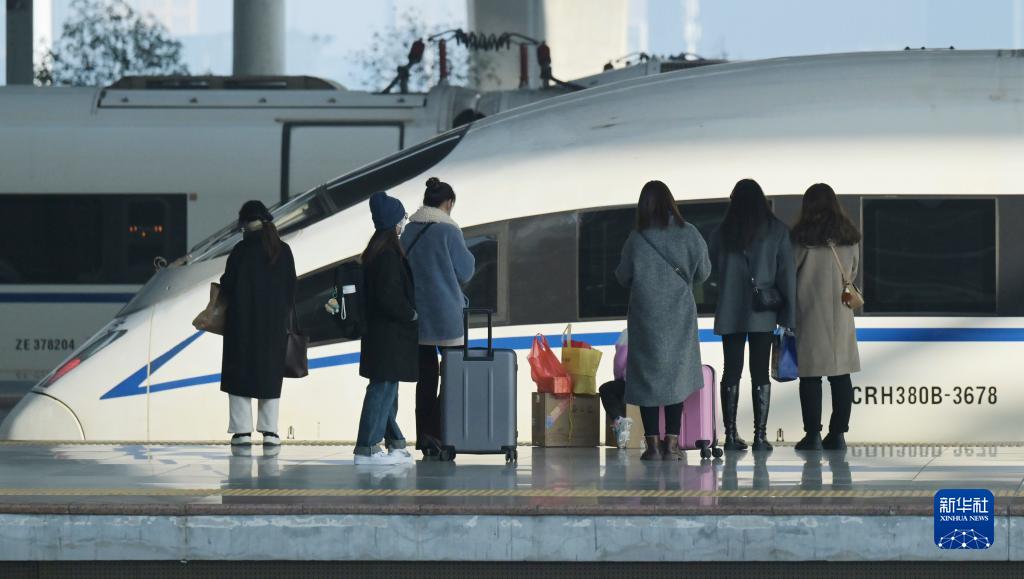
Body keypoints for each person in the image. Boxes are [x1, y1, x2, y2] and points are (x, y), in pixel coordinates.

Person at [615, 181, 711, 460]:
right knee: (675, 377)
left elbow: (623, 276)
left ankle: (652, 446)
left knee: (646, 379)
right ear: (670, 202)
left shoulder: (636, 238)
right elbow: (704, 272)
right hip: (679, 315)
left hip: (645, 317)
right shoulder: (689, 232)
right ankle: (671, 444)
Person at [709, 178, 796, 452]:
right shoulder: (777, 230)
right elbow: (787, 276)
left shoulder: (722, 232)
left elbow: (710, 269)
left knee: (731, 371)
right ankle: (760, 437)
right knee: (760, 373)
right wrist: (789, 316)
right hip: (763, 312)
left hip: (730, 310)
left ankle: (730, 435)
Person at [400, 177, 475, 456]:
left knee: (426, 380)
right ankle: (436, 433)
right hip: (446, 316)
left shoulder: (409, 231)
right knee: (454, 376)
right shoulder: (449, 231)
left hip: (418, 317)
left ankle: (424, 438)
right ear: (449, 203)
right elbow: (466, 271)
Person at [790, 183, 861, 451]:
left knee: (810, 377)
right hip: (841, 314)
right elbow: (852, 271)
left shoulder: (801, 238)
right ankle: (838, 435)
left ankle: (812, 436)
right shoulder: (849, 237)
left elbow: (790, 271)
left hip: (810, 312)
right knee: (841, 376)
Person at [220, 200, 296, 448]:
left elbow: (227, 285)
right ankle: (270, 431)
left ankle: (242, 432)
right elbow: (291, 288)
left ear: (244, 223)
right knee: (269, 376)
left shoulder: (240, 251)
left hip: (241, 325)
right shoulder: (282, 250)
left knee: (239, 376)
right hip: (273, 327)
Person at [354, 191, 418, 465]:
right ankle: (367, 447)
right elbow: (390, 298)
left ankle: (395, 443)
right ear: (393, 222)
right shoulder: (388, 256)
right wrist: (411, 313)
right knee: (382, 389)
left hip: (382, 335)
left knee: (387, 389)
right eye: (402, 218)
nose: (403, 223)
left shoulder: (376, 252)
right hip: (389, 335)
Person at [597, 329, 634, 449]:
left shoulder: (629, 332)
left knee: (606, 389)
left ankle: (619, 420)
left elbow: (619, 362)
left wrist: (618, 378)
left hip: (634, 383)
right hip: (660, 385)